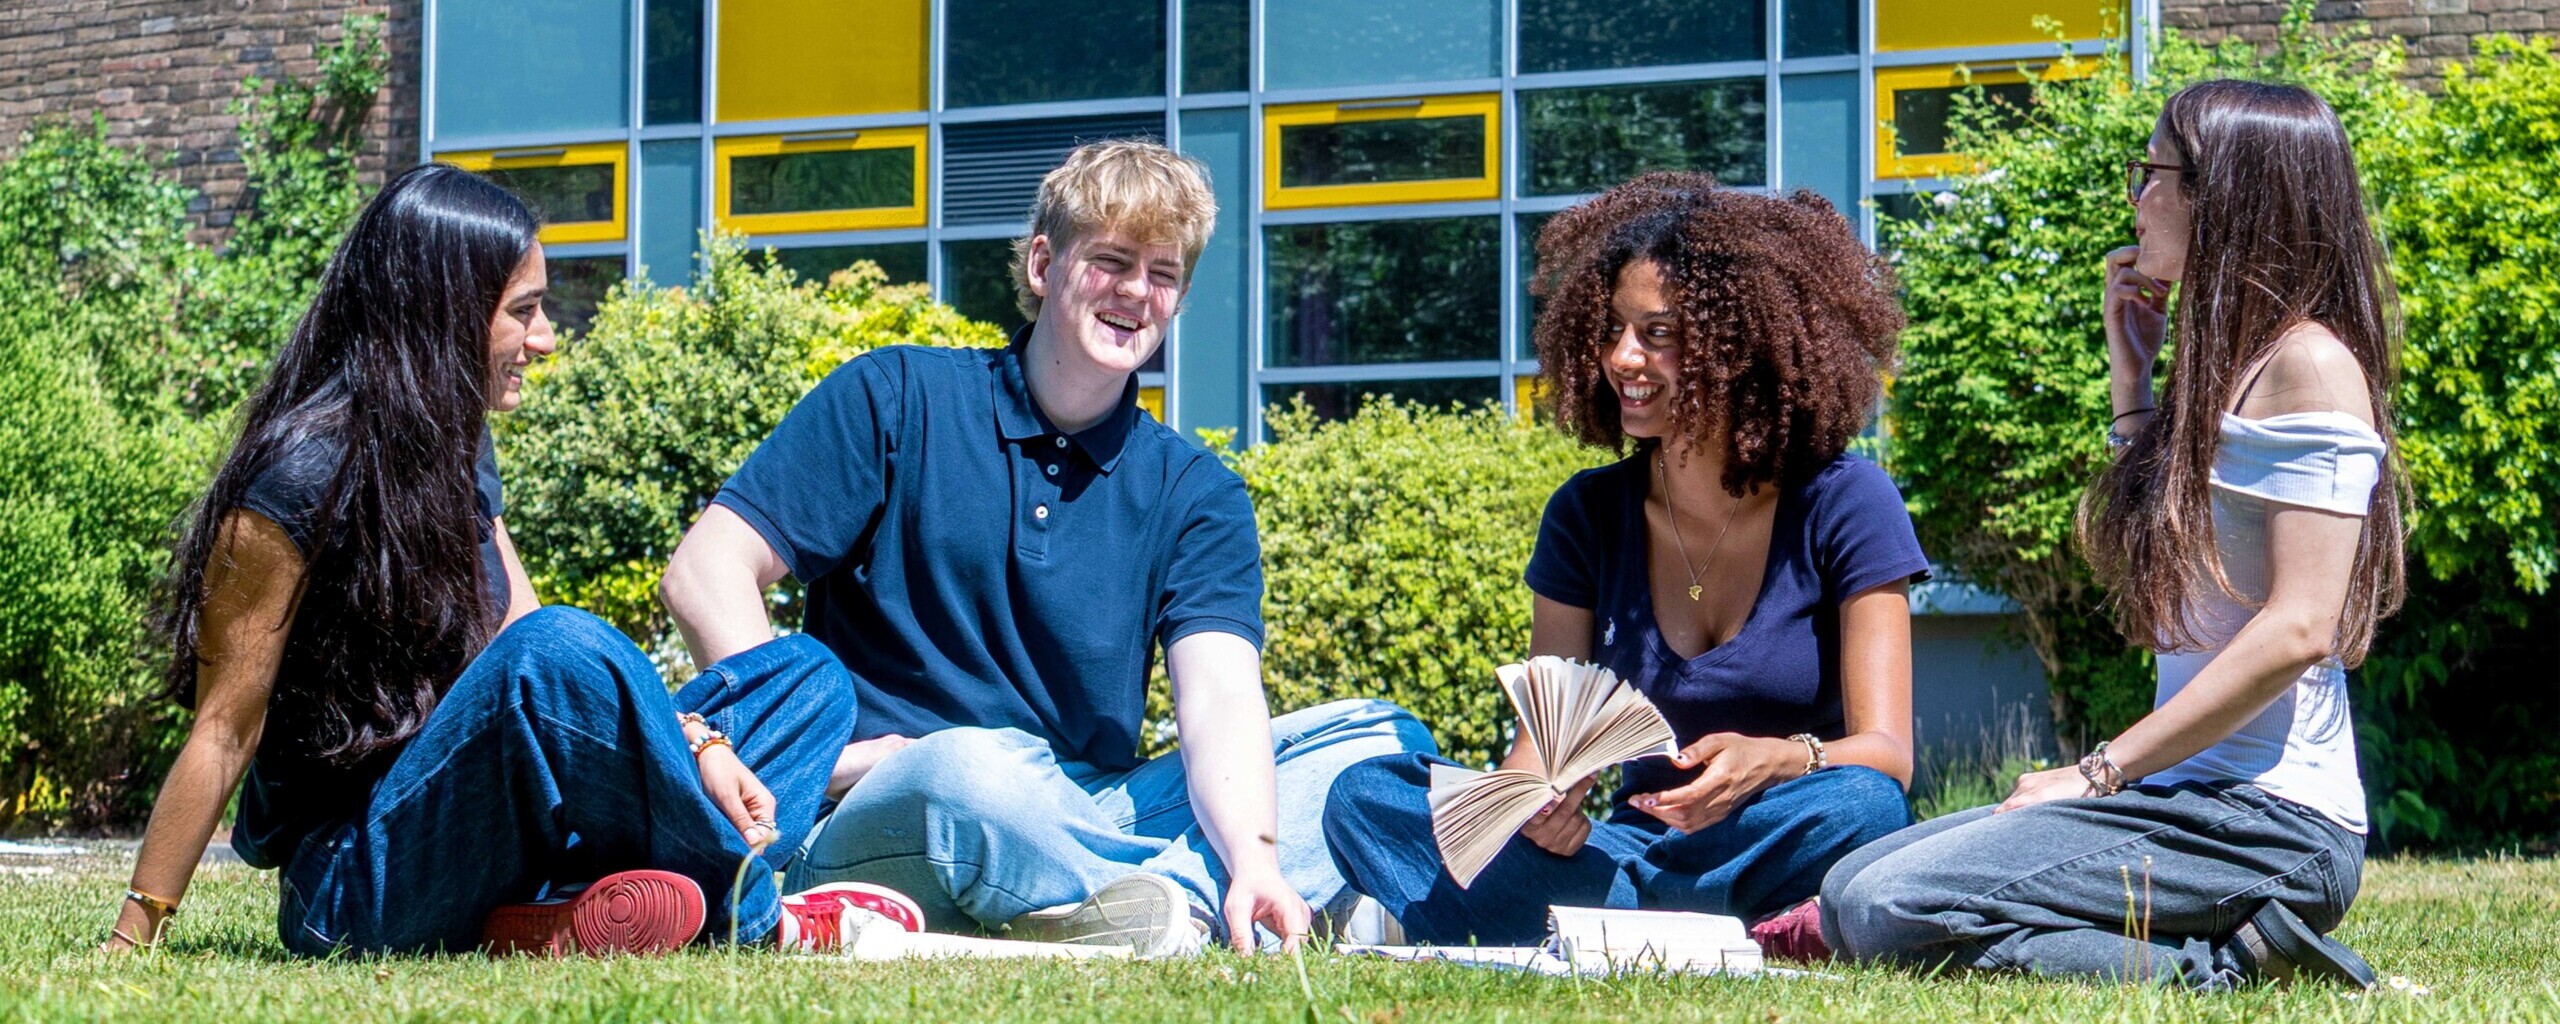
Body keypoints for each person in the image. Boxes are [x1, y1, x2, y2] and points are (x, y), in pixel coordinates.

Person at [106, 164, 919, 957]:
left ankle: (569, 905)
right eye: (524, 311)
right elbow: (222, 730)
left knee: (805, 678)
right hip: (356, 883)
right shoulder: (294, 483)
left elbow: (520, 637)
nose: (547, 337)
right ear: (445, 314)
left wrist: (701, 741)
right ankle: (755, 915)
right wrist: (134, 931)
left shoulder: (456, 446)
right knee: (558, 653)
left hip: (501, 835)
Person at [659, 140, 1434, 957]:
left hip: (1085, 807)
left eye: (1163, 274)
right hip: (897, 798)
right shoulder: (895, 398)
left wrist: (1255, 854)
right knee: (971, 771)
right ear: (1041, 264)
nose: (1137, 293)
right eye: (1111, 261)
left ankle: (1151, 907)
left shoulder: (1196, 492)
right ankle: (1165, 903)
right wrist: (824, 757)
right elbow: (707, 571)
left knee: (1383, 747)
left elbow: (1220, 701)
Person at [1816, 80, 2403, 990]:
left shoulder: (2310, 367)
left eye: (2153, 173)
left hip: (2273, 827)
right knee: (1850, 887)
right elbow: (2156, 599)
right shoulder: (2229, 373)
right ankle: (2242, 955)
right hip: (2188, 804)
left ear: (2223, 194)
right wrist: (2135, 381)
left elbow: (2300, 629)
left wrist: (2097, 774)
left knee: (1881, 906)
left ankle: (2226, 975)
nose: (2136, 197)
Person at [1321, 173, 1926, 945]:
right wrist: (1535, 803)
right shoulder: (1587, 514)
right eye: (1611, 330)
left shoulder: (1847, 500)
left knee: (1864, 806)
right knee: (1366, 793)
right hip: (1625, 851)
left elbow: (1888, 755)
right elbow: (1540, 750)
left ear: (1738, 345)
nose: (1621, 357)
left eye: (1658, 334)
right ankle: (1710, 930)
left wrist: (1776, 760)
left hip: (1772, 833)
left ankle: (1578, 926)